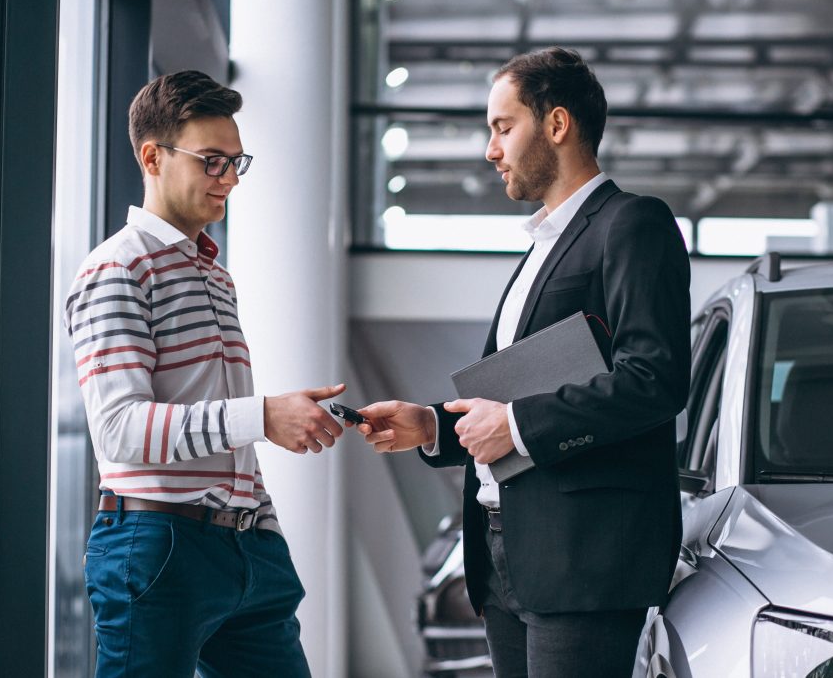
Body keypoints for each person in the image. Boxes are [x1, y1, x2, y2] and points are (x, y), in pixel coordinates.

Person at [355, 48, 691, 677]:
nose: (491, 150)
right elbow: (517, 390)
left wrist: (516, 427)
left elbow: (655, 379)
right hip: (507, 549)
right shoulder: (542, 248)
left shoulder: (631, 224)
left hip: (582, 557)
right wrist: (430, 426)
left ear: (557, 125)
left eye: (502, 127)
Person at [65, 70, 344, 677]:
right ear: (152, 156)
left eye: (237, 163)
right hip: (157, 545)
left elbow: (216, 420)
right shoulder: (116, 269)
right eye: (212, 161)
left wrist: (262, 525)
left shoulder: (214, 274)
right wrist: (265, 415)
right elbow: (118, 429)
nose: (228, 181)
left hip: (247, 548)